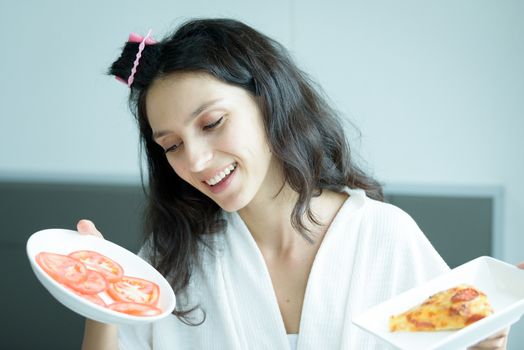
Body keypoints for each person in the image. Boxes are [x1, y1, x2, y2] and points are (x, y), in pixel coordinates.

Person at [80, 18, 511, 349]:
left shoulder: (385, 238)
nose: (195, 160)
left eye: (212, 123)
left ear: (270, 103)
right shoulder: (170, 259)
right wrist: (98, 301)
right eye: (171, 146)